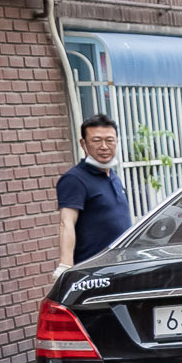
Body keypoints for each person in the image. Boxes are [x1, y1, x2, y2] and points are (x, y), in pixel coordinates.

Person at [55, 113, 132, 271]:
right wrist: (65, 266)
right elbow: (66, 222)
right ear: (83, 144)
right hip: (93, 271)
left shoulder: (113, 177)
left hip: (120, 268)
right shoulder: (74, 179)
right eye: (96, 140)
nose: (104, 146)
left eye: (109, 140)